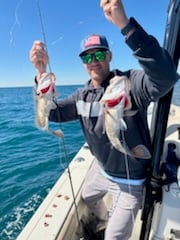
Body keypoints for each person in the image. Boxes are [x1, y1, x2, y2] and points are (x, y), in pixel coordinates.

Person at [29, 0, 178, 239]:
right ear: (83, 64)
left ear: (109, 55)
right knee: (88, 197)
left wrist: (126, 26)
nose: (94, 61)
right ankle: (102, 219)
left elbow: (166, 77)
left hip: (131, 181)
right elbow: (52, 113)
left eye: (98, 54)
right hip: (101, 171)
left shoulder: (129, 84)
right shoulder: (81, 96)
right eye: (87, 58)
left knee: (114, 237)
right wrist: (40, 74)